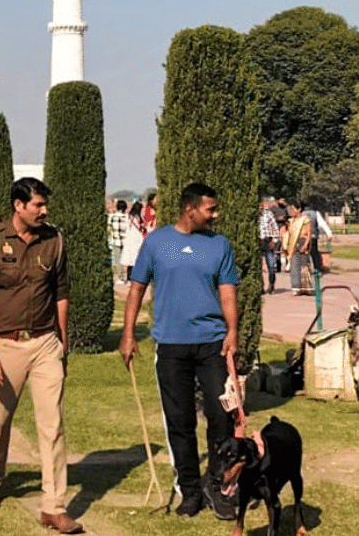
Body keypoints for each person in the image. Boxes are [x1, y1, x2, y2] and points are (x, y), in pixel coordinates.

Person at [119, 182, 239, 521]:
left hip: (212, 344)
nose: (216, 215)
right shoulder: (156, 242)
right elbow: (137, 288)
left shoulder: (220, 245)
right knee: (180, 421)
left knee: (221, 417)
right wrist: (128, 335)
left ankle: (218, 487)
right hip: (171, 345)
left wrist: (233, 332)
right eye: (210, 209)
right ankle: (189, 489)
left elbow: (228, 291)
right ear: (190, 209)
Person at [0, 177, 81, 534]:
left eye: (45, 205)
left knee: (52, 425)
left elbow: (61, 293)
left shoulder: (55, 241)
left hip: (46, 343)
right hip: (4, 345)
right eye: (37, 205)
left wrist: (62, 341)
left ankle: (54, 505)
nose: (44, 211)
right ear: (18, 205)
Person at [283, 199, 313, 295]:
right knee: (294, 266)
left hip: (302, 242)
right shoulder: (290, 221)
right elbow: (288, 233)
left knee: (304, 266)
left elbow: (309, 233)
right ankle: (296, 288)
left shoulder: (305, 219)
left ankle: (306, 288)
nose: (292, 211)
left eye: (293, 209)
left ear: (299, 209)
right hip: (293, 244)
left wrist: (306, 245)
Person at [118, 200, 146, 279]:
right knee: (137, 260)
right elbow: (142, 228)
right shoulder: (139, 218)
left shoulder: (128, 217)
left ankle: (129, 278)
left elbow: (123, 227)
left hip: (129, 240)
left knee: (130, 262)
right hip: (137, 240)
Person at [258, 197, 280, 293]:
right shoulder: (254, 214)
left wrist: (274, 241)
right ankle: (260, 286)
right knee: (257, 265)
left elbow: (275, 227)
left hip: (268, 241)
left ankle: (271, 285)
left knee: (271, 265)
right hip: (258, 241)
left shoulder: (268, 214)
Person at [108, 199, 128, 283]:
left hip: (116, 241)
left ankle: (120, 277)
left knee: (118, 260)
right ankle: (127, 277)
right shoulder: (126, 217)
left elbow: (109, 228)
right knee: (126, 260)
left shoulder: (112, 217)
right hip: (125, 240)